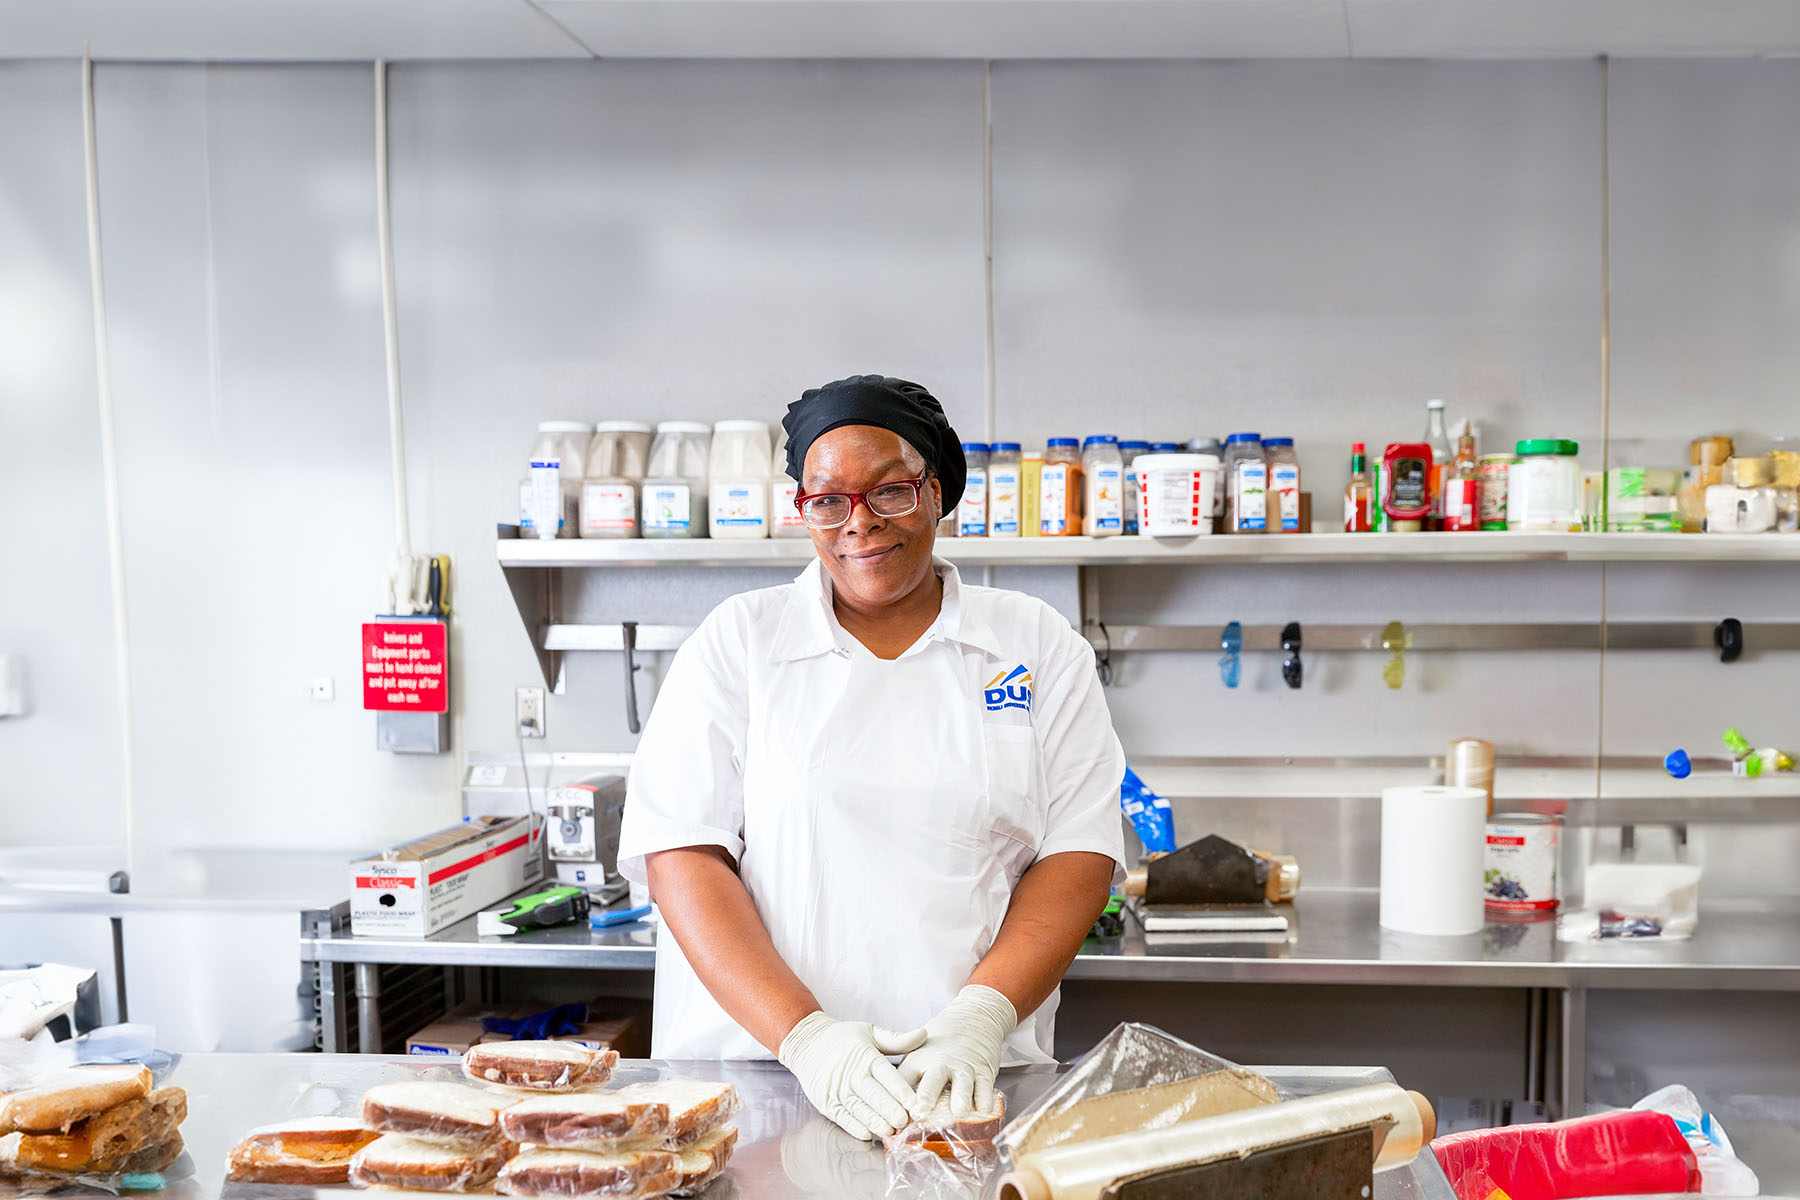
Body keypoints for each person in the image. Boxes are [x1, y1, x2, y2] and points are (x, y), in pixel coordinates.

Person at [616, 375, 1125, 1141]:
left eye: (891, 492)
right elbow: (683, 856)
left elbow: (1078, 852)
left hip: (967, 1082)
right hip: (760, 1080)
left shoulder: (1034, 643)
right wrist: (807, 1039)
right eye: (827, 500)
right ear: (805, 511)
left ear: (938, 493)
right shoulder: (742, 642)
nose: (860, 524)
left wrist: (981, 1017)